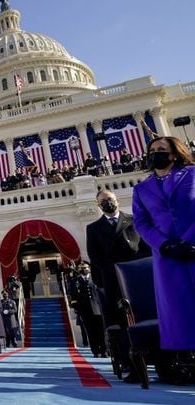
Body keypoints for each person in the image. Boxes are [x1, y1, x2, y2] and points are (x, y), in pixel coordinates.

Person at [132, 136, 195, 350]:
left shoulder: (192, 174)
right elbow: (141, 223)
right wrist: (165, 245)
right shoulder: (141, 189)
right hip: (168, 256)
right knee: (179, 308)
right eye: (152, 150)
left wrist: (188, 241)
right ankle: (187, 357)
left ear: (174, 153)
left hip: (193, 246)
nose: (155, 153)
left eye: (161, 149)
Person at [86, 188, 150, 380]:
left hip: (139, 279)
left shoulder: (134, 220)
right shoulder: (94, 228)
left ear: (117, 200)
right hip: (114, 281)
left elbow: (146, 248)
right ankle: (131, 365)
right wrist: (114, 269)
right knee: (123, 323)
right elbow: (94, 256)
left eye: (110, 199)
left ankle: (162, 363)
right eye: (103, 201)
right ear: (98, 206)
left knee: (146, 316)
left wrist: (134, 266)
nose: (108, 202)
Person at [70, 262, 106, 358]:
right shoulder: (75, 281)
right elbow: (73, 296)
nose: (83, 270)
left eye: (85, 268)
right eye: (81, 268)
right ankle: (95, 351)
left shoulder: (95, 278)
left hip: (98, 309)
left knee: (101, 330)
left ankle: (104, 350)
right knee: (90, 331)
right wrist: (76, 308)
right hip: (85, 310)